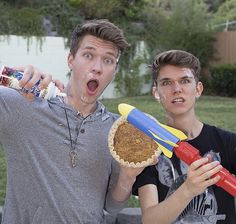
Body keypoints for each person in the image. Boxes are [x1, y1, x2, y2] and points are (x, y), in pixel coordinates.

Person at [0, 19, 145, 224]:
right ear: (71, 60)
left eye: (108, 60)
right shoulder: (24, 105)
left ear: (114, 69)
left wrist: (128, 176)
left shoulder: (116, 131)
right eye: (88, 55)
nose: (97, 67)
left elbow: (112, 206)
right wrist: (5, 76)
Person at [132, 49, 236, 223]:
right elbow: (150, 219)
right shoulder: (149, 151)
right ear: (156, 92)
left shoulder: (226, 142)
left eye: (185, 81)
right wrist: (188, 188)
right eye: (166, 82)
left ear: (198, 89)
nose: (177, 89)